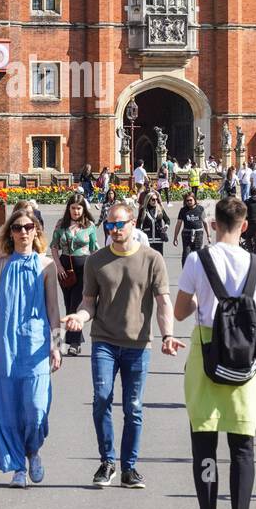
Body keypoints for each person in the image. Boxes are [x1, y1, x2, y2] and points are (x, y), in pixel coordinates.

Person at [65, 202, 180, 488]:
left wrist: (167, 335)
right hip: (104, 340)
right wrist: (79, 317)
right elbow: (89, 302)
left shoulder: (152, 259)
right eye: (110, 225)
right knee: (102, 398)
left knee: (133, 406)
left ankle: (129, 468)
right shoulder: (96, 260)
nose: (114, 230)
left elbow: (164, 302)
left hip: (138, 344)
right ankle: (107, 462)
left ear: (133, 223)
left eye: (119, 224)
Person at [174, 197, 256, 509]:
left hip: (205, 355)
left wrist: (202, 298)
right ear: (244, 226)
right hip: (244, 362)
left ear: (214, 224)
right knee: (242, 448)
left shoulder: (197, 261)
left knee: (204, 447)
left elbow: (179, 313)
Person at [0, 207, 63, 488]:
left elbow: (53, 307)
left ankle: (33, 451)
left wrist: (57, 345)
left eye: (28, 227)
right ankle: (17, 466)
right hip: (4, 345)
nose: (23, 232)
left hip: (36, 345)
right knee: (8, 408)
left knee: (37, 408)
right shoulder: (0, 264)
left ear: (36, 230)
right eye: (17, 228)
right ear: (10, 232)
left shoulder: (46, 265)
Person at [50, 194, 99, 357]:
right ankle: (72, 337)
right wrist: (58, 266)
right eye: (73, 208)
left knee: (76, 305)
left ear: (83, 209)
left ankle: (74, 343)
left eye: (79, 208)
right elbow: (54, 247)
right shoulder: (61, 225)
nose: (76, 211)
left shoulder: (90, 226)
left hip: (84, 268)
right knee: (67, 303)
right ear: (68, 209)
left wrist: (96, 270)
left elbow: (94, 249)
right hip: (65, 268)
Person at [172, 190, 209, 267]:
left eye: (190, 200)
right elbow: (178, 224)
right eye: (187, 200)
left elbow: (205, 222)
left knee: (197, 255)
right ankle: (186, 274)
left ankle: (198, 274)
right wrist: (175, 237)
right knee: (186, 255)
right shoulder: (183, 210)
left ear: (194, 200)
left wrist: (209, 236)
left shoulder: (200, 209)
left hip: (198, 234)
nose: (189, 202)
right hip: (186, 234)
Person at [137, 190, 169, 256]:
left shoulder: (160, 209)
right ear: (148, 200)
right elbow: (138, 225)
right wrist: (140, 236)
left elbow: (167, 220)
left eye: (156, 199)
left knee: (158, 260)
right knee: (147, 260)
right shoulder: (143, 210)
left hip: (158, 239)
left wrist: (165, 227)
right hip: (147, 240)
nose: (155, 201)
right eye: (153, 199)